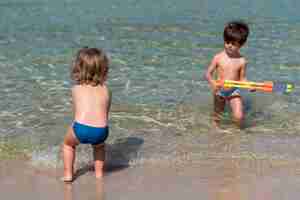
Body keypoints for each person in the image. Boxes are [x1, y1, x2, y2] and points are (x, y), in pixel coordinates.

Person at [62, 47, 111, 182]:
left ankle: (68, 174)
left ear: (79, 69)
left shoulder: (76, 88)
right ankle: (99, 174)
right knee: (99, 147)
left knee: (68, 144)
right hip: (102, 130)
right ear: (103, 70)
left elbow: (77, 112)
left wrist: (76, 127)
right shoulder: (106, 90)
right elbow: (105, 113)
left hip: (81, 128)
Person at [205, 21, 251, 128]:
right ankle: (215, 130)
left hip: (234, 91)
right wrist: (213, 83)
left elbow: (242, 79)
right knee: (218, 115)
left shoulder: (242, 61)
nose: (229, 46)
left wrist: (249, 86)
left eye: (233, 44)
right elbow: (208, 74)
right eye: (227, 42)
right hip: (219, 90)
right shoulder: (218, 57)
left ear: (241, 45)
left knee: (239, 116)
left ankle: (237, 132)